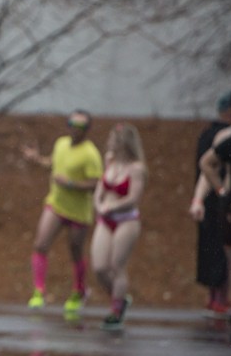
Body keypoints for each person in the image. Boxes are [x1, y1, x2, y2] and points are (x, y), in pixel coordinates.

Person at [22, 110, 103, 313]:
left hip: (78, 210)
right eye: (72, 124)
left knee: (75, 250)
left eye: (80, 127)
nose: (75, 130)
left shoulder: (90, 154)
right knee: (40, 244)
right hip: (56, 204)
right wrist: (36, 159)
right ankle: (38, 292)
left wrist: (71, 183)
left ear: (87, 130)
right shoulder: (61, 144)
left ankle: (79, 291)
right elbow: (53, 163)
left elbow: (96, 183)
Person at [91, 123, 147, 331]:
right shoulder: (110, 160)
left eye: (113, 139)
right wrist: (98, 204)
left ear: (123, 142)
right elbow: (100, 187)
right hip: (106, 219)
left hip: (126, 219)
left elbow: (133, 198)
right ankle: (119, 298)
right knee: (99, 268)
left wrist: (113, 205)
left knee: (117, 265)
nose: (109, 142)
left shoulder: (137, 168)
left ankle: (115, 311)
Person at [189, 91, 231, 317]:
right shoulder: (227, 138)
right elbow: (207, 167)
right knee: (228, 257)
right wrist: (201, 198)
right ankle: (220, 297)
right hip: (230, 204)